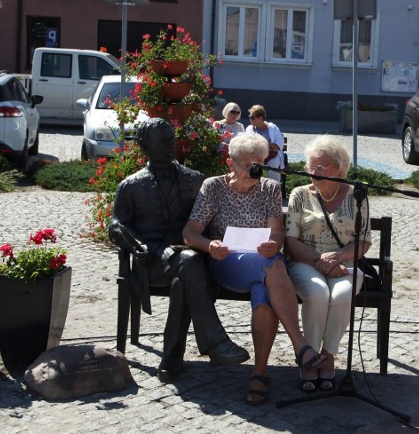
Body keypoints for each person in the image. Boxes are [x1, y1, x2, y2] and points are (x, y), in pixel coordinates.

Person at [182, 132, 327, 405]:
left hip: (264, 265)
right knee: (272, 267)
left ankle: (260, 373)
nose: (253, 169)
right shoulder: (213, 187)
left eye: (259, 162)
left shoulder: (269, 188)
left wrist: (274, 243)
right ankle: (300, 345)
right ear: (230, 163)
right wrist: (209, 245)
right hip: (226, 263)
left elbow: (277, 233)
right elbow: (189, 233)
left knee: (264, 290)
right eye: (246, 163)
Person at [109, 118, 249, 383]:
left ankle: (172, 358)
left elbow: (208, 222)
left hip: (189, 259)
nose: (170, 144)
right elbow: (116, 225)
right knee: (189, 263)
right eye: (163, 140)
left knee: (185, 276)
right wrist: (135, 245)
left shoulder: (194, 180)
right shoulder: (131, 186)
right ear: (144, 145)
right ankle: (214, 341)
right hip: (151, 261)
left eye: (171, 138)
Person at [284, 135, 371, 391]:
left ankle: (328, 354)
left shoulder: (357, 196)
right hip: (305, 261)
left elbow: (364, 241)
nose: (315, 171)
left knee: (343, 293)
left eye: (322, 167)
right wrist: (319, 260)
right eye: (312, 166)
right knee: (317, 293)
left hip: (344, 264)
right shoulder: (299, 194)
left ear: (339, 168)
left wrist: (339, 257)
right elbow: (290, 239)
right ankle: (309, 356)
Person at [244, 105, 285, 182]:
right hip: (256, 155)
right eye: (249, 117)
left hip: (272, 155)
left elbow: (280, 142)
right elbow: (248, 144)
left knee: (274, 163)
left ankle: (274, 187)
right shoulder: (249, 129)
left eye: (252, 117)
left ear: (261, 118)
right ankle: (254, 186)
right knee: (253, 165)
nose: (250, 119)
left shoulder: (273, 127)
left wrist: (267, 146)